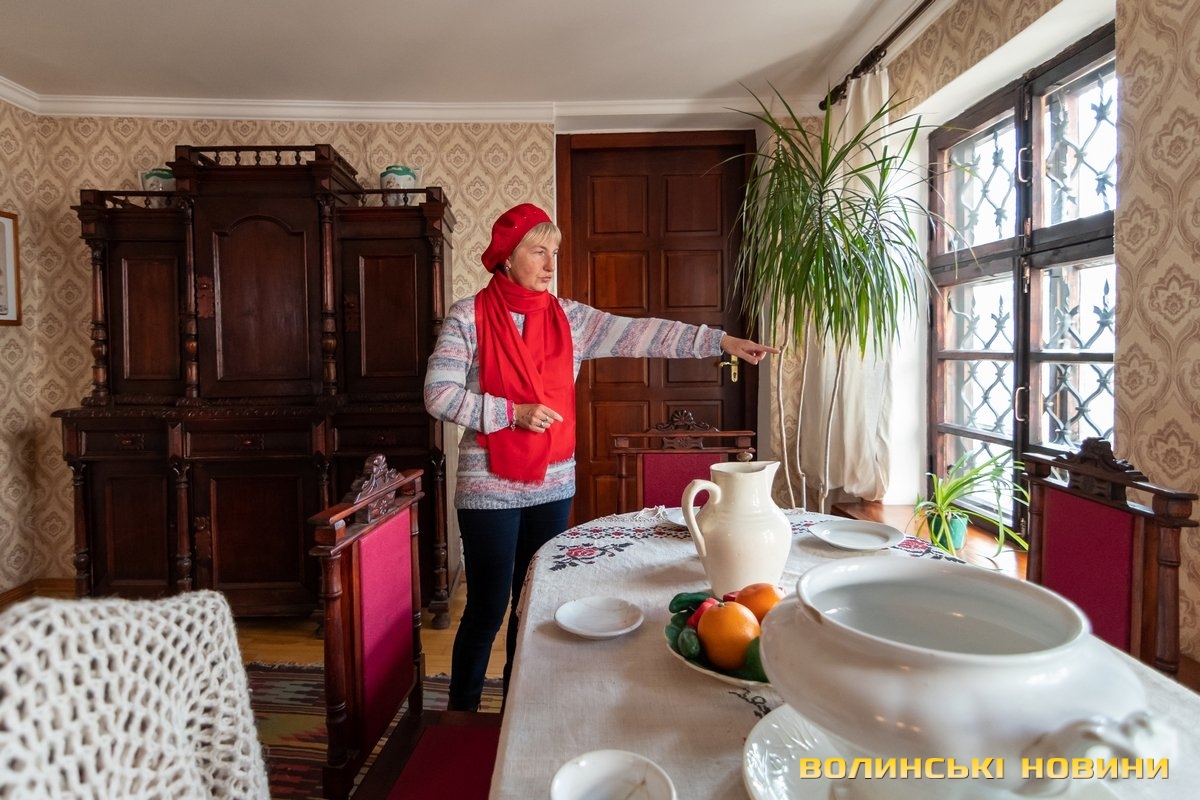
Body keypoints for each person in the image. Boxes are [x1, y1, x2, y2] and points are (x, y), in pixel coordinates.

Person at [423, 202, 778, 711]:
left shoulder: (573, 319)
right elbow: (438, 395)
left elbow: (647, 333)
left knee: (532, 603)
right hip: (488, 489)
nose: (551, 264)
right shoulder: (467, 316)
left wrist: (719, 341)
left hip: (554, 485)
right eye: (538, 251)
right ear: (506, 256)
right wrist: (511, 413)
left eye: (555, 252)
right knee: (486, 608)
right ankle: (462, 713)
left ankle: (517, 707)